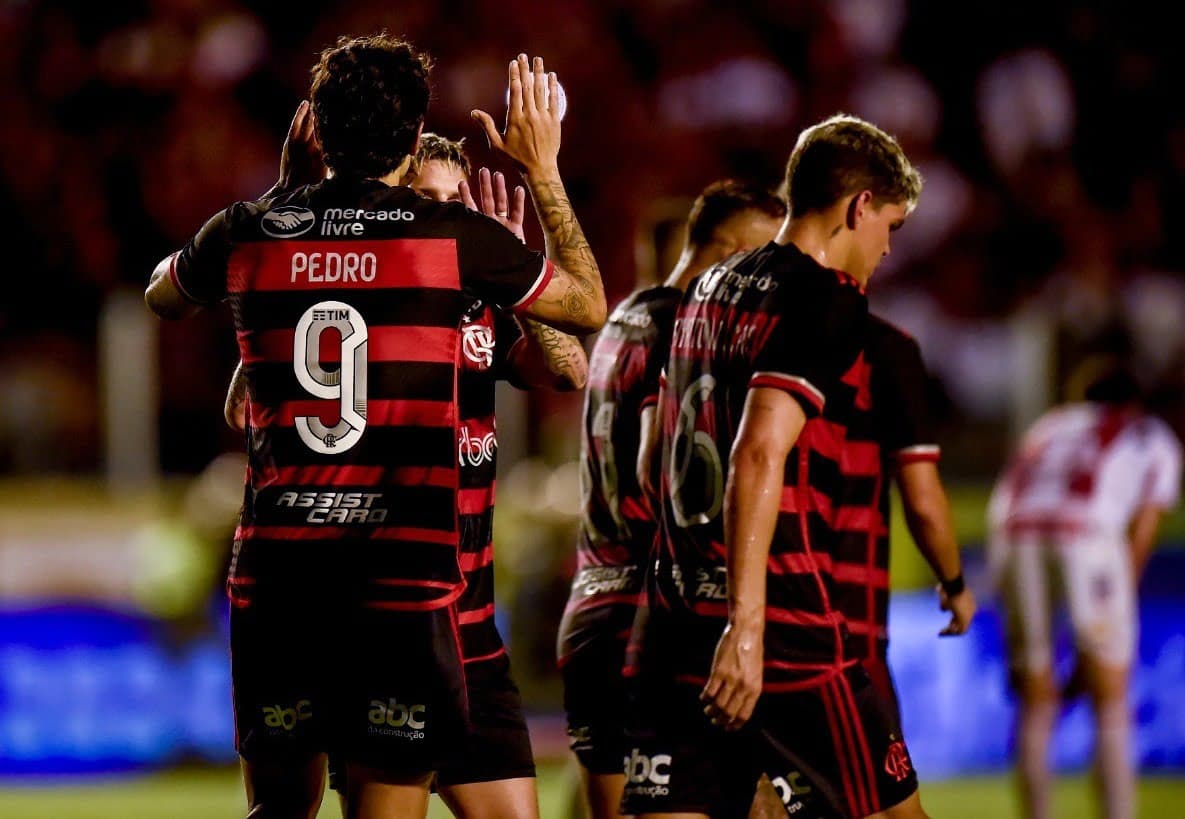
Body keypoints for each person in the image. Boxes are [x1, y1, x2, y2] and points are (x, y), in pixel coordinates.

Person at [146, 36, 606, 819]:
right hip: (399, 583)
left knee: (278, 810)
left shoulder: (250, 228)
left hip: (278, 585)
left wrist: (286, 197)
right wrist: (545, 171)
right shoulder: (445, 238)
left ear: (318, 131)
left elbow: (162, 294)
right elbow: (589, 305)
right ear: (410, 130)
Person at [225, 132, 589, 819]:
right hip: (386, 616)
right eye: (427, 200)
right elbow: (244, 406)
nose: (444, 216)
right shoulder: (357, 303)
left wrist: (515, 286)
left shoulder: (481, 309)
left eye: (456, 204)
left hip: (471, 625)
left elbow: (568, 369)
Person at [623, 113, 934, 819]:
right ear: (858, 206)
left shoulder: (703, 291)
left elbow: (656, 459)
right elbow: (760, 448)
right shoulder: (826, 301)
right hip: (778, 618)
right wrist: (748, 623)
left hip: (673, 613)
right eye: (889, 225)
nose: (885, 249)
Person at [559, 180, 786, 819]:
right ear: (730, 252)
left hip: (590, 606)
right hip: (651, 617)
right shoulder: (683, 328)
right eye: (760, 262)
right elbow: (656, 466)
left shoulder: (622, 320)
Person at [987, 364, 1182, 819]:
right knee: (1110, 693)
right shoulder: (1150, 433)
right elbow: (1143, 528)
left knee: (1036, 698)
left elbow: (1006, 499)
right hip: (1088, 538)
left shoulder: (1049, 425)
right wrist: (1112, 616)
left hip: (1018, 539)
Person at [830, 315, 977, 715]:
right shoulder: (885, 347)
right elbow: (922, 498)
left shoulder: (749, 330)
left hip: (763, 616)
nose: (887, 247)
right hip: (850, 615)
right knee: (884, 777)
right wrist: (955, 584)